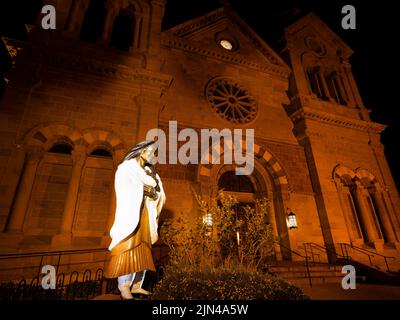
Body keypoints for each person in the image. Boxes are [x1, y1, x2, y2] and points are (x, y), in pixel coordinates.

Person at [105, 140, 165, 300]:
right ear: (141, 151)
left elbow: (158, 193)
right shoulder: (127, 168)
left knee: (143, 248)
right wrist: (143, 189)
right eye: (151, 151)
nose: (153, 155)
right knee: (129, 247)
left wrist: (155, 195)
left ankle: (137, 284)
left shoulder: (149, 173)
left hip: (145, 216)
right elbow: (124, 186)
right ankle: (124, 286)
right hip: (131, 216)